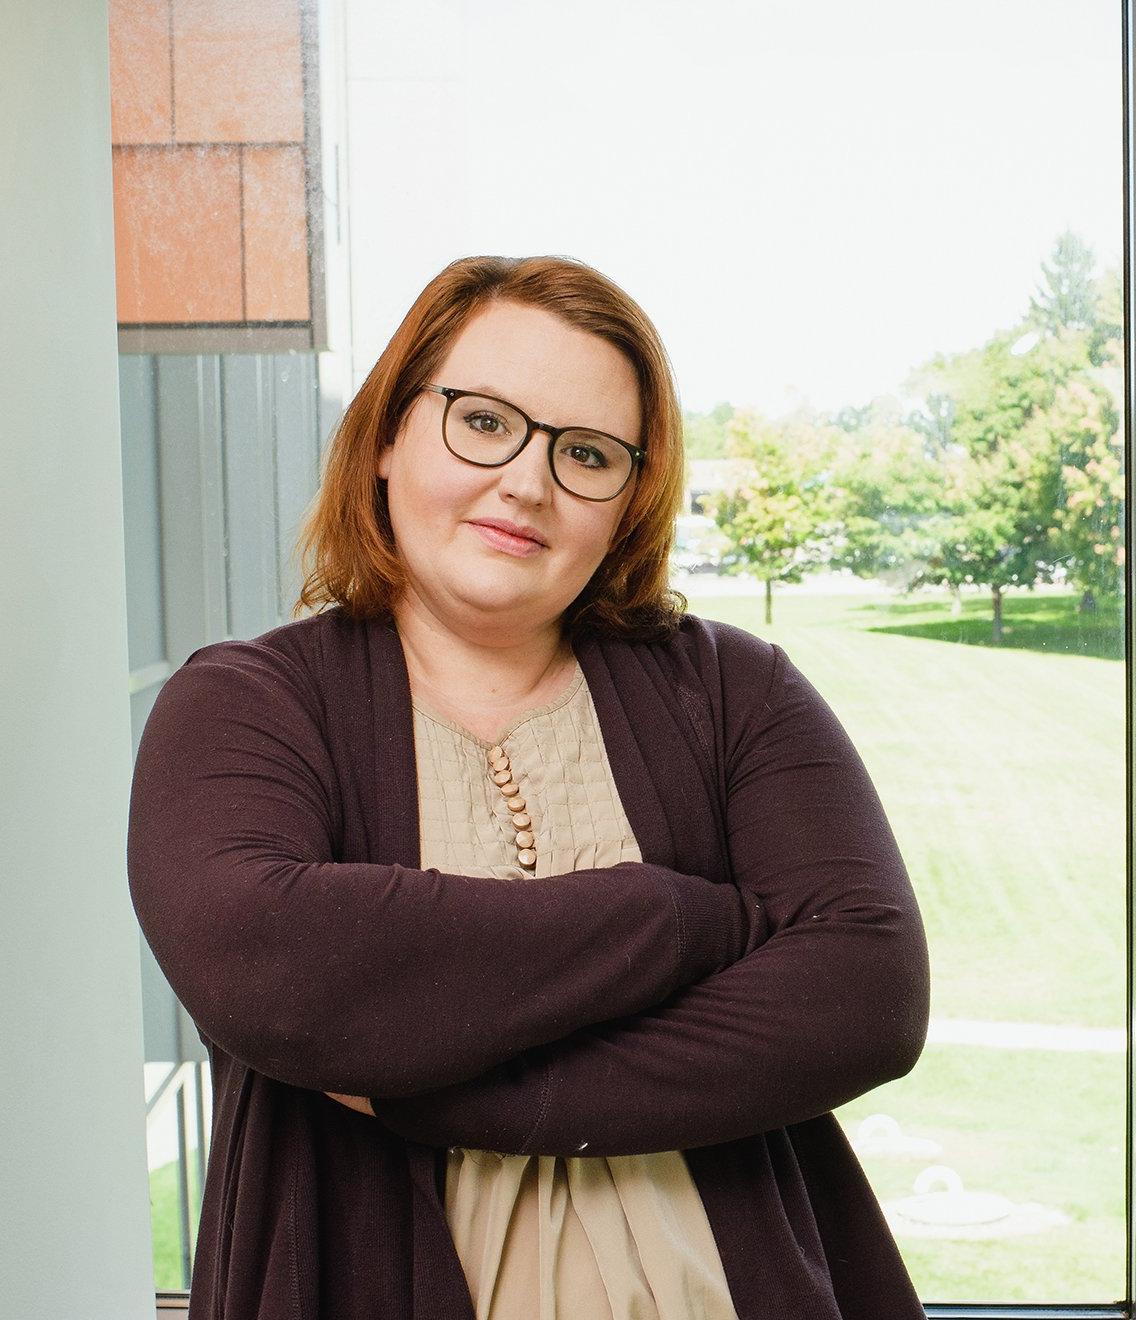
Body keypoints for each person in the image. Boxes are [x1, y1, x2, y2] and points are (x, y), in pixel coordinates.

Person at [128, 255, 929, 1320]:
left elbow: (865, 997)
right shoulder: (245, 703)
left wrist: (437, 1092)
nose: (528, 481)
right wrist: (681, 917)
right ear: (385, 437)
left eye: (586, 452)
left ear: (628, 500)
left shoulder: (736, 691)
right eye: (485, 421)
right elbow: (270, 969)